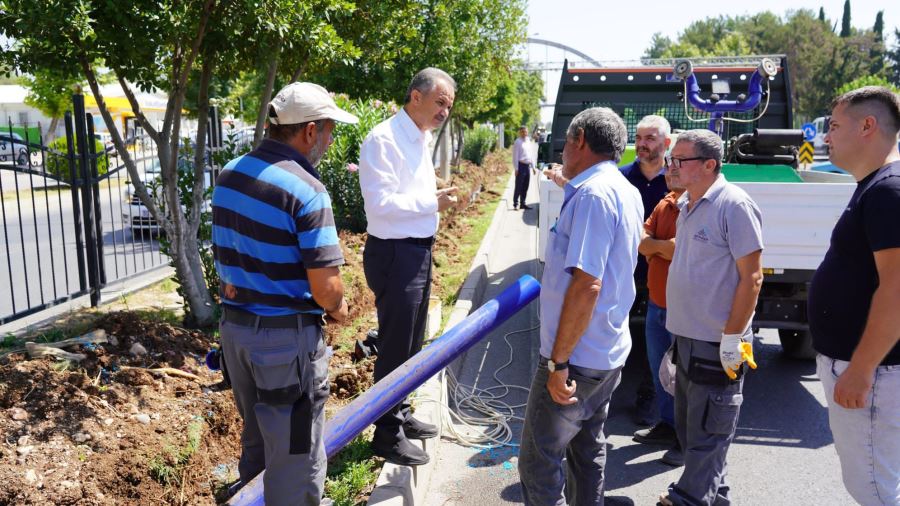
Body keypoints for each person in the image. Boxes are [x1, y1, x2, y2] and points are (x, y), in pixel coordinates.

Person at [211, 82, 357, 505]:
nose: (330, 140)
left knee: (258, 440)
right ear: (309, 131)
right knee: (295, 458)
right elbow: (327, 289)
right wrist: (340, 309)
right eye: (329, 130)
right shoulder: (306, 189)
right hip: (284, 347)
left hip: (236, 334)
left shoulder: (231, 173)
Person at [518, 107, 643, 505]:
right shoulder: (624, 189)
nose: (563, 153)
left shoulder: (592, 195)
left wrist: (558, 364)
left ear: (580, 139)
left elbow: (587, 284)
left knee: (539, 462)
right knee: (587, 450)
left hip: (577, 359)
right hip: (606, 352)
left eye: (566, 143)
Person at [358, 67, 458, 466]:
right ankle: (385, 436)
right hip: (395, 253)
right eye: (439, 102)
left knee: (413, 345)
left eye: (448, 106)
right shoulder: (383, 139)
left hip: (417, 251)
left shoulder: (420, 136)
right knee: (396, 346)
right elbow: (379, 205)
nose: (444, 111)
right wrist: (432, 202)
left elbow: (406, 191)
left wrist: (432, 192)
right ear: (415, 96)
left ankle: (398, 413)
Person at [660, 129, 763, 506]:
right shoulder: (687, 203)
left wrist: (733, 340)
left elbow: (752, 277)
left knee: (707, 434)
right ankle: (713, 497)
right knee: (694, 433)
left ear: (709, 164)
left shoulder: (733, 204)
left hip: (718, 343)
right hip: (687, 340)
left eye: (680, 159)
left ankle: (686, 499)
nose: (672, 166)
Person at [808, 86, 900, 506]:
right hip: (870, 371)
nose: (826, 137)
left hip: (874, 375)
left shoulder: (887, 190)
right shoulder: (875, 185)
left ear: (868, 125)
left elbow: (897, 287)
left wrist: (861, 369)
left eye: (834, 126)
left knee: (874, 489)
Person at [619, 115, 672, 426]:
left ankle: (650, 394)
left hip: (660, 274)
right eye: (638, 138)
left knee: (660, 341)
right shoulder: (621, 177)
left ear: (666, 144)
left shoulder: (677, 181)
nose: (641, 144)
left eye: (650, 138)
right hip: (624, 270)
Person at [632, 169, 685, 467]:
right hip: (657, 304)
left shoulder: (695, 207)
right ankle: (667, 425)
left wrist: (656, 247)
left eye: (679, 162)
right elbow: (641, 241)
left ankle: (684, 439)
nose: (672, 169)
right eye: (670, 162)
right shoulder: (664, 203)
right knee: (660, 372)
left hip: (684, 311)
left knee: (685, 378)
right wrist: (662, 248)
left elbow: (682, 249)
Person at [512, 125, 535, 209]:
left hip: (527, 166)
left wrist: (533, 167)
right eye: (522, 132)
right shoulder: (517, 142)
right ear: (519, 132)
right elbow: (515, 156)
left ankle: (523, 203)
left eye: (525, 131)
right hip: (520, 166)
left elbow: (530, 154)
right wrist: (516, 168)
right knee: (519, 185)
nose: (524, 133)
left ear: (527, 132)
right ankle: (515, 203)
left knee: (525, 186)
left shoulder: (528, 140)